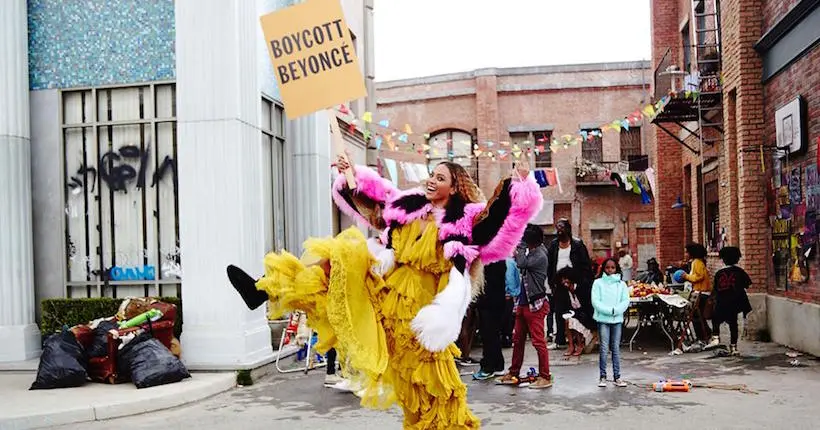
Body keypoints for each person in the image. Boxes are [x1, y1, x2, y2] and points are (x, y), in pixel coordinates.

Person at [227, 156, 542, 429]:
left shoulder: (464, 221)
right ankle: (263, 290)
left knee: (430, 389)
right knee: (339, 258)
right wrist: (352, 178)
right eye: (432, 175)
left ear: (455, 187)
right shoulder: (407, 209)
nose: (432, 180)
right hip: (388, 298)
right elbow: (373, 209)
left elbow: (496, 217)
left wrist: (520, 182)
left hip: (424, 316)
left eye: (440, 177)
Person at [497, 225, 552, 389]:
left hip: (535, 304)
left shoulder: (540, 255)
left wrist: (520, 244)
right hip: (523, 302)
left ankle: (545, 376)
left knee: (538, 342)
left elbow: (521, 263)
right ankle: (513, 372)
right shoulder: (534, 251)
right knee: (518, 339)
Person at [547, 219, 593, 347]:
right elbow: (550, 265)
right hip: (559, 284)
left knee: (576, 312)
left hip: (575, 284)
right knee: (559, 311)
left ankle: (579, 338)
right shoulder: (553, 245)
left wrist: (582, 282)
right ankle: (560, 340)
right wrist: (552, 282)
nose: (559, 230)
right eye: (558, 228)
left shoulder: (577, 245)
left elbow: (585, 266)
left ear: (568, 229)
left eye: (562, 227)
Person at [591, 258, 630, 388]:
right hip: (603, 320)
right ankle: (602, 377)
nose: (610, 270)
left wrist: (616, 311)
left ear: (616, 268)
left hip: (617, 320)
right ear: (603, 269)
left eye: (612, 268)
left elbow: (625, 301)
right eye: (607, 268)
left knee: (616, 348)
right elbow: (595, 301)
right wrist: (610, 311)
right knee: (603, 348)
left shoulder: (622, 284)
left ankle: (617, 377)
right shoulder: (598, 283)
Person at [711, 246, 753, 356]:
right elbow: (747, 284)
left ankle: (716, 338)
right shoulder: (740, 272)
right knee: (733, 324)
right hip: (735, 302)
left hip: (722, 302)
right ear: (737, 259)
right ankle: (733, 347)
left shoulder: (719, 273)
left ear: (723, 259)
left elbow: (715, 289)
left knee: (716, 320)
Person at [472, 260, 508, 380]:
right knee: (492, 334)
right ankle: (498, 365)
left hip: (490, 303)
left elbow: (490, 282)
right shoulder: (498, 259)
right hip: (493, 302)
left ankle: (488, 367)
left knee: (488, 335)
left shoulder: (493, 261)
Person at [556, 267, 595, 357]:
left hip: (586, 317)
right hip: (573, 315)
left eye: (566, 279)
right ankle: (571, 345)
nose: (564, 281)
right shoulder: (564, 292)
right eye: (562, 279)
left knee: (573, 321)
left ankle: (580, 345)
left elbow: (588, 307)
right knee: (568, 320)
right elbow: (564, 308)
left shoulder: (582, 289)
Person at [684, 243, 714, 345]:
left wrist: (686, 276)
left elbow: (698, 277)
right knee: (698, 316)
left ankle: (703, 336)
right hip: (701, 291)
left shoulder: (696, 262)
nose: (686, 254)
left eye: (687, 252)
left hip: (701, 292)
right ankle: (706, 335)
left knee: (696, 316)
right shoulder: (698, 262)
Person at [501, 254, 520, 348]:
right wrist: (512, 292)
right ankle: (507, 337)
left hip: (497, 295)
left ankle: (504, 337)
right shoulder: (510, 262)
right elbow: (510, 279)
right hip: (507, 296)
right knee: (508, 318)